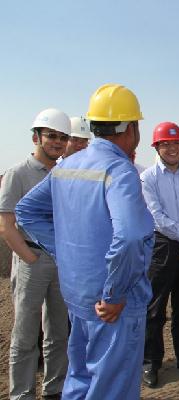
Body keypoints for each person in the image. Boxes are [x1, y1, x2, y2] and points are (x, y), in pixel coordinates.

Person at [15, 83, 154, 399]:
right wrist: (115, 293)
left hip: (78, 293)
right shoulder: (119, 170)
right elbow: (131, 236)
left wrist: (66, 252)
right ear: (130, 128)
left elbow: (26, 212)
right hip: (112, 303)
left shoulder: (68, 165)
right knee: (111, 387)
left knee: (79, 378)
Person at [0, 108, 70, 400]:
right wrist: (31, 259)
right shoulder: (18, 173)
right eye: (51, 135)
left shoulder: (65, 174)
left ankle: (54, 390)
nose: (57, 142)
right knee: (26, 334)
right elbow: (6, 224)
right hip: (32, 259)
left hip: (62, 262)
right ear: (36, 138)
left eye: (62, 137)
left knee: (59, 332)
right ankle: (22, 394)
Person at [141, 121, 179, 387]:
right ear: (156, 147)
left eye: (176, 143)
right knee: (155, 308)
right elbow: (156, 216)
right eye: (165, 144)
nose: (172, 148)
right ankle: (150, 362)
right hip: (163, 246)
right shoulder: (148, 178)